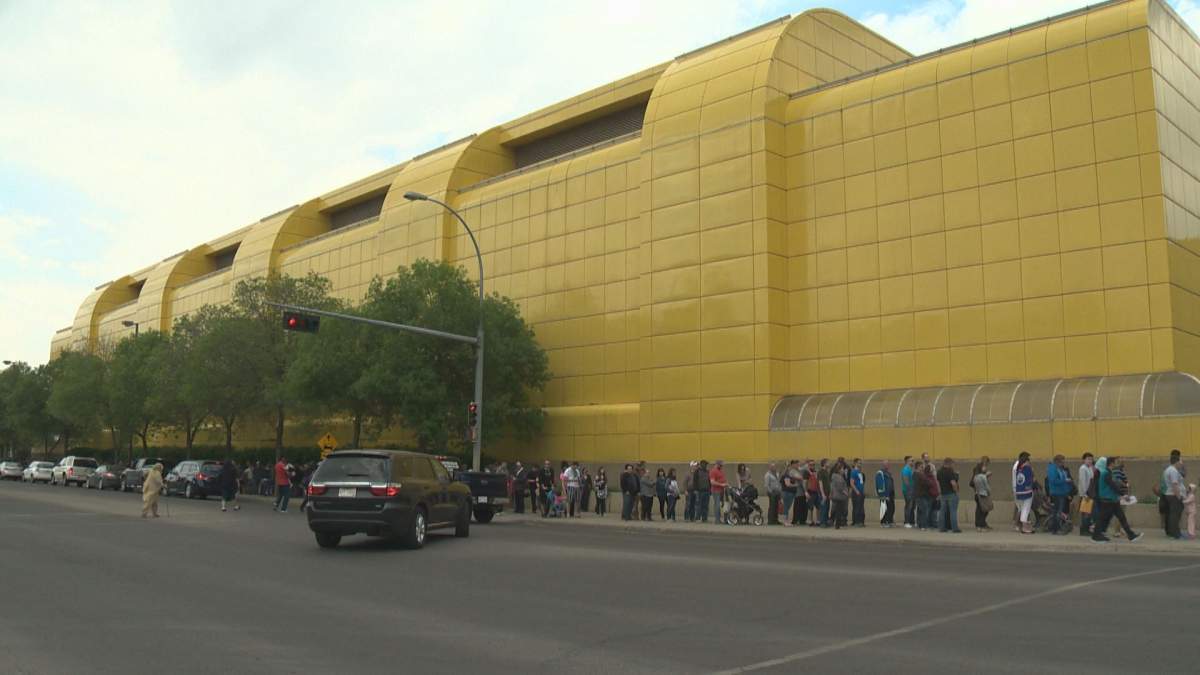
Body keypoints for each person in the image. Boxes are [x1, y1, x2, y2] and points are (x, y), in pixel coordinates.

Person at [1091, 456, 1142, 542]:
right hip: (1107, 500)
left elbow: (1114, 485)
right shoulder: (1106, 473)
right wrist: (1123, 495)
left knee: (1121, 517)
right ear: (1111, 463)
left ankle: (1131, 535)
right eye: (1115, 462)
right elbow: (1112, 485)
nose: (1116, 464)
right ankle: (1096, 536)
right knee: (1102, 518)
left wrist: (1120, 495)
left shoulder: (1109, 472)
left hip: (1112, 500)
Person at [1045, 454, 1073, 534]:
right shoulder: (1053, 469)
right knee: (1057, 512)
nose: (1063, 464)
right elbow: (1054, 480)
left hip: (1062, 492)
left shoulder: (1059, 469)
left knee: (1058, 511)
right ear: (1057, 462)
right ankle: (1055, 528)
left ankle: (1056, 528)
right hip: (1056, 492)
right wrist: (1065, 480)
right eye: (1062, 462)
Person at [1163, 452, 1186, 540]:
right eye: (1181, 461)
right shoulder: (1172, 470)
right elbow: (1175, 484)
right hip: (1174, 495)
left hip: (1171, 495)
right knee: (1175, 515)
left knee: (1174, 514)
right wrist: (1179, 496)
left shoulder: (1170, 469)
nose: (1182, 463)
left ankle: (1176, 532)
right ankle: (1175, 534)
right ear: (1176, 461)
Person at [936, 458, 961, 533]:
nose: (953, 465)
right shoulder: (950, 471)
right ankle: (955, 528)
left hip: (943, 494)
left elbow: (938, 483)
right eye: (953, 464)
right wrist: (956, 491)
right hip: (951, 494)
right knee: (953, 511)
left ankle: (942, 528)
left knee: (942, 511)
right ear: (949, 463)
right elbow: (953, 483)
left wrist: (940, 492)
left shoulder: (939, 472)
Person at [1013, 452, 1034, 534]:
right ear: (1027, 461)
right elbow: (1030, 480)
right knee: (1026, 509)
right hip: (1027, 492)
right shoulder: (1028, 469)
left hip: (1019, 492)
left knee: (1021, 509)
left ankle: (1023, 526)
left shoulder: (1018, 469)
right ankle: (1025, 528)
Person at [972, 457, 992, 532]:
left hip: (980, 492)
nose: (986, 467)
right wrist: (986, 475)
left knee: (982, 509)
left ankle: (982, 524)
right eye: (986, 465)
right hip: (981, 493)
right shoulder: (979, 473)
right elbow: (982, 481)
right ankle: (980, 525)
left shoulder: (979, 473)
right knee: (982, 510)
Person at [1077, 453, 1095, 537]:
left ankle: (1087, 529)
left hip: (1090, 493)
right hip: (1086, 494)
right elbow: (1082, 481)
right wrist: (1085, 494)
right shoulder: (1083, 468)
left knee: (1088, 513)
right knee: (1085, 513)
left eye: (1091, 459)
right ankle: (1083, 530)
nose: (1090, 461)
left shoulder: (1090, 468)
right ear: (1084, 460)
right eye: (1088, 459)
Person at [828, 460, 850, 529]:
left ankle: (836, 523)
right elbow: (840, 487)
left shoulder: (834, 476)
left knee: (837, 509)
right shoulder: (839, 477)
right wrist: (846, 493)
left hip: (836, 495)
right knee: (839, 511)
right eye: (842, 469)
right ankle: (837, 525)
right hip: (839, 496)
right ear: (839, 470)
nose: (843, 470)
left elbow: (833, 486)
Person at [913, 460, 932, 531]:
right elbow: (927, 482)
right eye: (922, 466)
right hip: (921, 495)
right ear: (918, 467)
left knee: (920, 510)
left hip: (919, 494)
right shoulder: (919, 475)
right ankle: (923, 526)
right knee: (924, 510)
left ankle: (920, 524)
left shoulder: (916, 474)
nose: (923, 468)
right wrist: (929, 482)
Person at [875, 459, 895, 527]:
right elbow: (880, 485)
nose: (888, 465)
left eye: (888, 464)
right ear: (883, 465)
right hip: (884, 494)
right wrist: (882, 495)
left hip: (890, 493)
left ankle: (889, 521)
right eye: (886, 464)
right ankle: (883, 522)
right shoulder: (880, 473)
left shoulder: (889, 473)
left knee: (891, 508)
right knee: (884, 508)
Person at [780, 460, 799, 525]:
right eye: (787, 466)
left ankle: (786, 521)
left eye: (788, 466)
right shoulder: (786, 475)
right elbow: (788, 484)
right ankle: (786, 521)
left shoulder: (788, 474)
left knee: (787, 507)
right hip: (787, 492)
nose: (789, 468)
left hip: (789, 493)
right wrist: (795, 485)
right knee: (786, 506)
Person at [709, 460, 728, 525]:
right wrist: (721, 484)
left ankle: (723, 519)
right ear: (717, 464)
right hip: (716, 491)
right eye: (720, 465)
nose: (722, 466)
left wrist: (725, 484)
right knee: (717, 505)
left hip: (722, 490)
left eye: (722, 465)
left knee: (723, 505)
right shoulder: (713, 471)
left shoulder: (720, 471)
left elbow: (723, 479)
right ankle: (717, 520)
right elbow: (712, 482)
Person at [805, 459, 823, 527]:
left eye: (813, 464)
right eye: (811, 465)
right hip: (810, 491)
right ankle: (810, 521)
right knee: (810, 507)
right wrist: (806, 492)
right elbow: (805, 483)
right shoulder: (806, 472)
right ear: (808, 465)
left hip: (816, 492)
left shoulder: (816, 472)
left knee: (818, 507)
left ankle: (818, 521)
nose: (812, 466)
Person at [849, 458, 865, 527]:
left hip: (861, 492)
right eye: (859, 463)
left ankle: (861, 521)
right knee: (857, 507)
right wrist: (857, 491)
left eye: (861, 463)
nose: (860, 464)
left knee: (861, 507)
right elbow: (851, 483)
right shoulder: (854, 472)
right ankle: (856, 521)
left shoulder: (860, 472)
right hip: (856, 492)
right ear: (855, 463)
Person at [901, 456, 915, 528]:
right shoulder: (906, 470)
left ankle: (911, 521)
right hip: (907, 491)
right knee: (908, 506)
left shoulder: (910, 469)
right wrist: (910, 491)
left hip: (911, 490)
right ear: (907, 461)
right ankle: (906, 522)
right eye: (911, 461)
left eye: (913, 461)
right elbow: (906, 481)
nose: (913, 462)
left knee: (911, 506)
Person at [817, 459, 832, 527]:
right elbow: (820, 483)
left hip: (828, 493)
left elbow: (828, 483)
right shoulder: (821, 472)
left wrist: (830, 493)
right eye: (828, 462)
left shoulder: (827, 471)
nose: (829, 463)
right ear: (824, 463)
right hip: (823, 494)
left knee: (827, 508)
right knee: (823, 508)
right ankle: (822, 522)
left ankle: (825, 521)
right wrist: (823, 494)